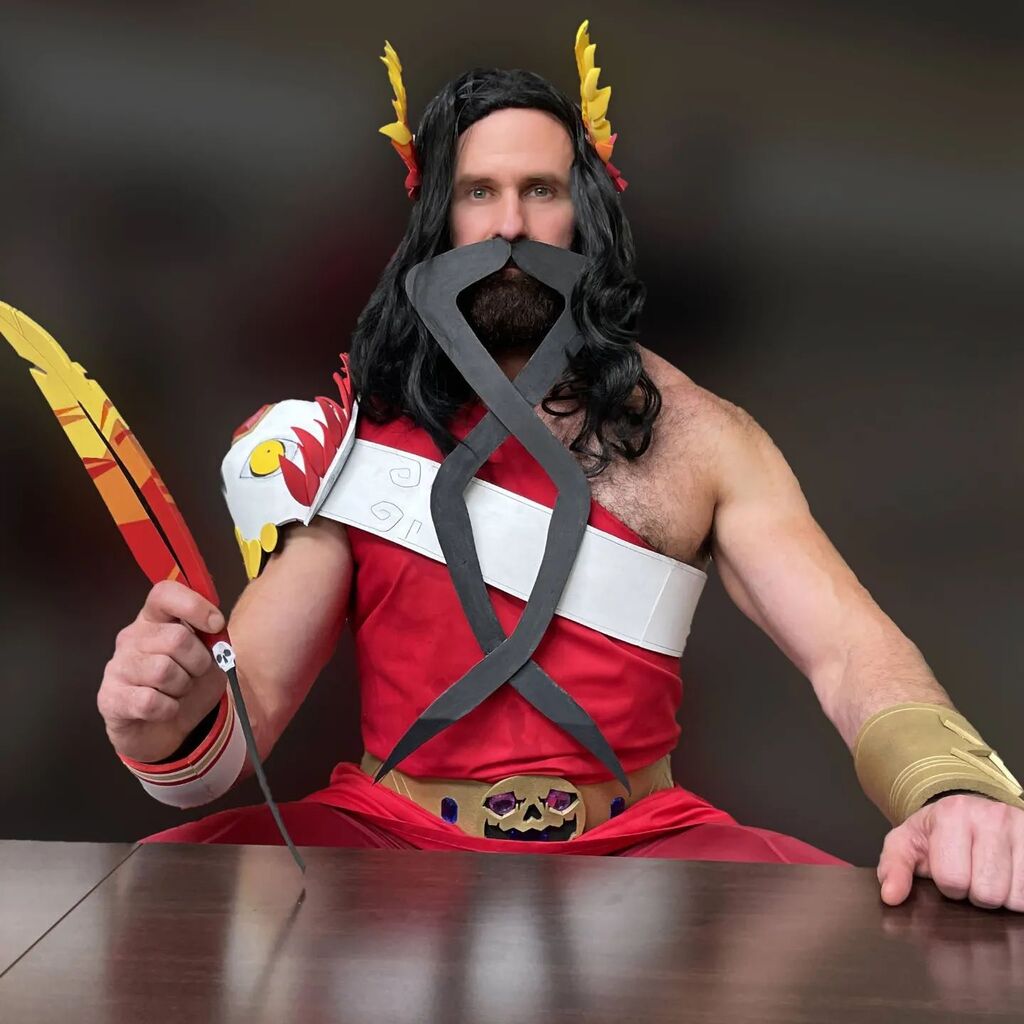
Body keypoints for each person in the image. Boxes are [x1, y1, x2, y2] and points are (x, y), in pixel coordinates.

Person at [96, 25, 1024, 908]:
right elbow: (248, 705)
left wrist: (949, 790)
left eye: (540, 189)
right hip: (391, 839)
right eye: (478, 192)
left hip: (643, 844)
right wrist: (169, 707)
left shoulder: (704, 436)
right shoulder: (352, 438)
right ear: (435, 219)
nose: (510, 225)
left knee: (900, 931)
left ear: (587, 210)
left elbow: (848, 649)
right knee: (157, 896)